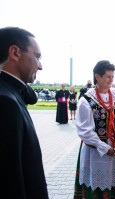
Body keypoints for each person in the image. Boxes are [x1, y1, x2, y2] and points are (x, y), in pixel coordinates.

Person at [0, 27, 48, 198]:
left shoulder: (12, 91)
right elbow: (11, 180)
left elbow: (31, 97)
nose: (40, 65)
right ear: (15, 53)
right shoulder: (5, 102)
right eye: (37, 56)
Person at [74, 60, 115, 199]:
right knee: (96, 183)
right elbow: (85, 131)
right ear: (97, 76)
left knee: (114, 181)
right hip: (95, 152)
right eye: (108, 76)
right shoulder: (86, 100)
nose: (111, 80)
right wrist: (104, 147)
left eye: (112, 77)